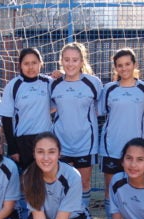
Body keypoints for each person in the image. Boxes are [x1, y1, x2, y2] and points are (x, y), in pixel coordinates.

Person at [99, 48, 144, 219]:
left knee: (136, 188)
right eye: (119, 65)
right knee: (110, 188)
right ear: (115, 68)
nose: (124, 68)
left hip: (136, 151)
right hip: (112, 148)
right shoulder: (109, 89)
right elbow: (102, 114)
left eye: (127, 64)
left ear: (134, 64)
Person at [50, 42, 102, 209]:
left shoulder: (93, 83)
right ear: (61, 61)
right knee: (61, 182)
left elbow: (99, 110)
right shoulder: (54, 83)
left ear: (81, 62)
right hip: (61, 143)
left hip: (85, 143)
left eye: (74, 60)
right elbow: (50, 108)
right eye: (66, 60)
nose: (70, 64)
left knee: (83, 182)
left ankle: (82, 216)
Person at [0, 47, 53, 171]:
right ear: (20, 65)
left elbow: (58, 105)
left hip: (45, 139)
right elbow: (6, 119)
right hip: (23, 142)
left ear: (41, 63)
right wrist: (13, 149)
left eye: (34, 63)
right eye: (26, 63)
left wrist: (61, 74)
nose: (30, 67)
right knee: (26, 183)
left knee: (46, 182)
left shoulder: (49, 83)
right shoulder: (13, 85)